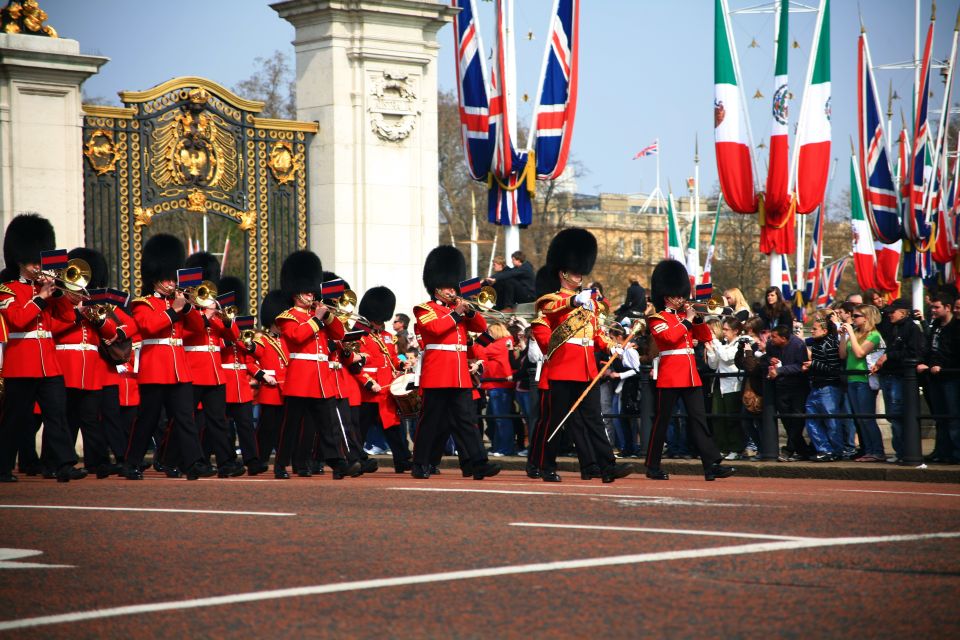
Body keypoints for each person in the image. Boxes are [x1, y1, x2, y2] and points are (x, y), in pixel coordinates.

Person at [536, 228, 634, 483]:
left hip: (586, 367)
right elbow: (551, 312)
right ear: (562, 273)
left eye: (580, 272)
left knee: (594, 420)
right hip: (562, 368)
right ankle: (547, 466)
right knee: (557, 421)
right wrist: (573, 302)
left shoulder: (589, 305)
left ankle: (607, 466)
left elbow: (595, 333)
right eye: (574, 272)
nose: (578, 276)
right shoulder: (552, 299)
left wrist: (610, 346)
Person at [0, 214, 89, 483]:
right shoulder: (8, 289)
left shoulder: (47, 288)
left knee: (57, 414)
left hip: (48, 362)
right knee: (15, 418)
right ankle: (2, 465)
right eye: (32, 261)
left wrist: (61, 293)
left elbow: (66, 318)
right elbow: (16, 319)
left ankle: (63, 464)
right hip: (22, 362)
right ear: (19, 260)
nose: (37, 266)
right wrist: (40, 298)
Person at [125, 234, 215, 480]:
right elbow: (149, 327)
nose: (170, 283)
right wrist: (174, 311)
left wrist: (187, 307)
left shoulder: (179, 301)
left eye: (171, 278)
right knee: (148, 419)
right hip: (155, 368)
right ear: (155, 279)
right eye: (166, 278)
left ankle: (193, 463)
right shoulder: (142, 303)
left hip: (179, 368)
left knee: (186, 418)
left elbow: (197, 327)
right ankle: (132, 462)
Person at [411, 245, 500, 480]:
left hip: (459, 374)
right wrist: (456, 314)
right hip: (438, 373)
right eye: (448, 287)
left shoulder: (458, 310)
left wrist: (469, 312)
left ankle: (478, 463)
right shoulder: (424, 309)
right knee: (430, 422)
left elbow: (481, 328)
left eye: (454, 286)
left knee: (467, 421)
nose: (452, 290)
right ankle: (420, 463)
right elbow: (435, 329)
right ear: (437, 288)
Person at [643, 259, 734, 481]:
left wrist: (699, 319)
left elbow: (704, 338)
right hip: (670, 375)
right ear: (667, 297)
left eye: (682, 294)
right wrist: (688, 321)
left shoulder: (687, 316)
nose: (682, 299)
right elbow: (669, 337)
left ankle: (711, 465)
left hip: (690, 374)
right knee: (662, 421)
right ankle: (652, 465)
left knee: (698, 420)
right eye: (677, 296)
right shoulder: (657, 318)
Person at [273, 251, 360, 480]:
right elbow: (298, 337)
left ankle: (338, 464)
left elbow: (340, 334)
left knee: (328, 425)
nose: (311, 295)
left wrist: (328, 317)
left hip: (321, 378)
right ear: (295, 294)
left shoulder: (319, 315)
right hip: (301, 378)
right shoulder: (287, 317)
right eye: (306, 292)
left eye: (312, 291)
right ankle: (281, 465)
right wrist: (317, 319)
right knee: (291, 426)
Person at [357, 285, 411, 473]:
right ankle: (357, 459)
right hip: (369, 391)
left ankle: (402, 460)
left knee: (394, 427)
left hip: (386, 389)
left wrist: (401, 364)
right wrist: (368, 382)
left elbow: (392, 358)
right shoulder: (360, 336)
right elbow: (356, 364)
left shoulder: (387, 337)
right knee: (360, 429)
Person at [873, 298, 924, 462]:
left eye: (892, 312)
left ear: (903, 312)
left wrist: (889, 356)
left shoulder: (911, 328)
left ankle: (904, 452)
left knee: (897, 414)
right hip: (888, 375)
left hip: (900, 376)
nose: (889, 315)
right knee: (892, 415)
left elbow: (913, 352)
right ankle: (900, 451)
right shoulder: (893, 327)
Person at [838, 304, 885, 462]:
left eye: (857, 316)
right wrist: (844, 336)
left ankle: (877, 451)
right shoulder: (855, 333)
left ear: (866, 318)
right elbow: (843, 355)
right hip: (852, 379)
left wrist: (850, 332)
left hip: (865, 380)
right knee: (859, 417)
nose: (853, 318)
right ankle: (868, 450)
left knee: (867, 417)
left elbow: (859, 353)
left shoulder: (874, 335)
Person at [918, 291, 960, 464]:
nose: (933, 311)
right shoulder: (935, 325)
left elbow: (954, 352)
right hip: (934, 377)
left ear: (947, 308)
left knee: (953, 416)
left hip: (950, 377)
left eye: (936, 307)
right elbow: (929, 348)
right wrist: (924, 363)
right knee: (940, 417)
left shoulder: (956, 327)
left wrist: (943, 366)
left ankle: (956, 452)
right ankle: (942, 451)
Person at [249, 290, 288, 470]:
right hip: (270, 391)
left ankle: (283, 461)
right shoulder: (262, 340)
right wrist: (262, 375)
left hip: (286, 389)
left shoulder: (289, 340)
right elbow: (249, 360)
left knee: (283, 429)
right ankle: (259, 459)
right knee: (266, 428)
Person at [764, 324, 814, 461]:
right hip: (781, 388)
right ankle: (803, 450)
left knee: (797, 419)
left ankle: (789, 449)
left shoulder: (798, 345)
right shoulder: (771, 345)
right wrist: (769, 359)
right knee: (786, 420)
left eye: (774, 337)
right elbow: (766, 357)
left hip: (798, 387)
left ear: (784, 338)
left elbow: (800, 366)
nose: (771, 339)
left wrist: (780, 371)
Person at [802, 314, 844, 461]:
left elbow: (834, 369)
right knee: (811, 420)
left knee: (832, 422)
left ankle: (836, 451)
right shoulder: (817, 344)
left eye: (814, 329)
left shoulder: (830, 344)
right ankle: (825, 450)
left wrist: (813, 364)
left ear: (825, 331)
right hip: (816, 386)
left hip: (829, 388)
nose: (812, 331)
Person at [706, 316, 745, 459]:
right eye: (723, 329)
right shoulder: (723, 344)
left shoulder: (739, 343)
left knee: (731, 418)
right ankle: (722, 447)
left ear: (735, 331)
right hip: (719, 385)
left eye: (726, 329)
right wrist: (710, 350)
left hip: (732, 386)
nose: (724, 332)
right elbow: (714, 365)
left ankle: (736, 448)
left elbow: (728, 357)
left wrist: (715, 341)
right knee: (718, 417)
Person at [481, 321, 516, 456]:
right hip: (495, 385)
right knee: (496, 418)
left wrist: (481, 334)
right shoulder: (503, 343)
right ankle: (497, 446)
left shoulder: (501, 344)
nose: (487, 336)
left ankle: (504, 448)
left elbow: (481, 349)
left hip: (499, 386)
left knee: (501, 419)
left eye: (489, 333)